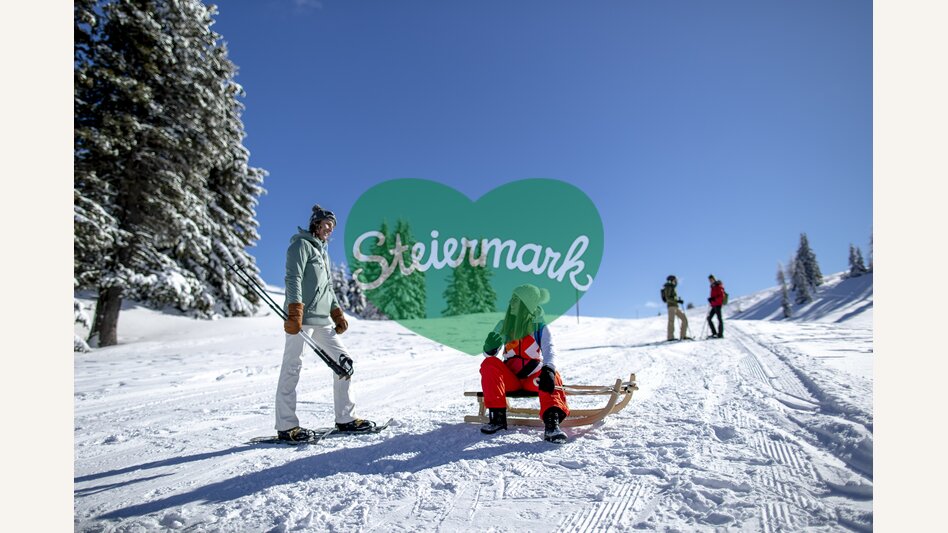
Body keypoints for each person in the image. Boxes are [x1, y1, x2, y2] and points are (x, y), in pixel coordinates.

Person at [276, 204, 376, 441]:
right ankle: (287, 426)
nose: (330, 229)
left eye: (332, 226)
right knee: (292, 367)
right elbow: (293, 278)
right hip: (300, 319)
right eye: (327, 224)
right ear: (316, 224)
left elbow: (328, 287)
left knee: (344, 364)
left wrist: (337, 314)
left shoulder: (323, 251)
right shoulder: (300, 245)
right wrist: (295, 311)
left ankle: (345, 418)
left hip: (322, 321)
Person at [479, 284, 570, 443]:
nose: (511, 302)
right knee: (489, 363)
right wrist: (489, 347)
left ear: (526, 303)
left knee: (551, 374)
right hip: (510, 380)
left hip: (532, 379)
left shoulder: (539, 327)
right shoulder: (504, 325)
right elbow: (490, 354)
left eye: (515, 299)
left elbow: (549, 349)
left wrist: (549, 369)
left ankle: (552, 423)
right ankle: (497, 418)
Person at [663, 275, 689, 341]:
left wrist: (678, 301)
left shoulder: (673, 287)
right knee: (671, 321)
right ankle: (670, 337)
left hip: (675, 306)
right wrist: (677, 301)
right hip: (671, 306)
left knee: (684, 319)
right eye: (675, 280)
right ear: (672, 280)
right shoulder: (669, 287)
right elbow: (668, 298)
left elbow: (673, 297)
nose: (676, 281)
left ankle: (683, 336)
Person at [706, 274, 725, 339]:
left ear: (714, 279)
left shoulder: (718, 286)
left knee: (719, 319)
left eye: (711, 280)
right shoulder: (712, 287)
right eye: (709, 280)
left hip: (718, 305)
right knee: (709, 318)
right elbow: (713, 296)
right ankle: (714, 333)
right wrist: (711, 300)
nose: (710, 281)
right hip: (714, 305)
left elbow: (722, 296)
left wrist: (714, 299)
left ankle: (720, 334)